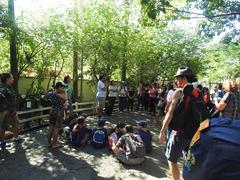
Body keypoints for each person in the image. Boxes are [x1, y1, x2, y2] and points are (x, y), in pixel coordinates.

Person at [159, 66, 198, 180]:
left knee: (171, 160)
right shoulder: (197, 92)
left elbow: (169, 113)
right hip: (193, 133)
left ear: (184, 78)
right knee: (189, 159)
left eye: (178, 78)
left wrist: (162, 131)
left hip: (179, 133)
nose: (176, 81)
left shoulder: (179, 92)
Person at [0, 73, 22, 148]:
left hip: (13, 111)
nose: (13, 79)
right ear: (7, 79)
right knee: (3, 126)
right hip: (6, 112)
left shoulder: (10, 87)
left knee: (16, 123)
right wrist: (4, 110)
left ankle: (16, 138)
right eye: (12, 78)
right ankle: (1, 141)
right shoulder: (2, 88)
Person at [47, 81, 68, 149]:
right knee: (56, 128)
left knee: (51, 127)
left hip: (52, 111)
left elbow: (48, 93)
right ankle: (55, 144)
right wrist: (62, 94)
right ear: (58, 87)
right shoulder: (60, 95)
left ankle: (49, 143)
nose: (63, 89)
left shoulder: (52, 94)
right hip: (58, 112)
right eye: (62, 87)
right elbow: (65, 100)